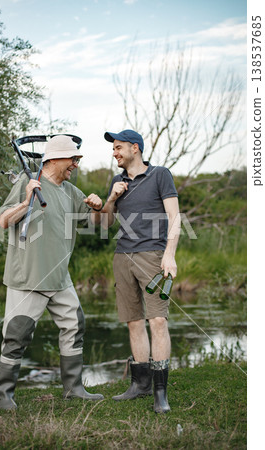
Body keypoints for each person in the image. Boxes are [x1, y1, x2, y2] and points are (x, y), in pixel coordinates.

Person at [0, 134, 104, 409]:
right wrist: (26, 200)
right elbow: (3, 221)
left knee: (75, 325)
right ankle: (5, 396)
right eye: (73, 159)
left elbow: (98, 223)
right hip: (28, 277)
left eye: (77, 159)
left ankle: (75, 389)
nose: (75, 165)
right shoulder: (27, 182)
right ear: (54, 158)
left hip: (60, 277)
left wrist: (98, 205)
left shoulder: (70, 191)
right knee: (16, 336)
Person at [99, 129, 180, 414]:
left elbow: (175, 217)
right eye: (113, 148)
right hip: (122, 256)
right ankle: (140, 384)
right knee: (134, 322)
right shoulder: (117, 181)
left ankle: (160, 392)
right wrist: (111, 198)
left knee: (157, 320)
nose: (114, 152)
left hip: (153, 256)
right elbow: (104, 225)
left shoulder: (160, 175)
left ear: (135, 148)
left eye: (119, 147)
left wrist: (169, 255)